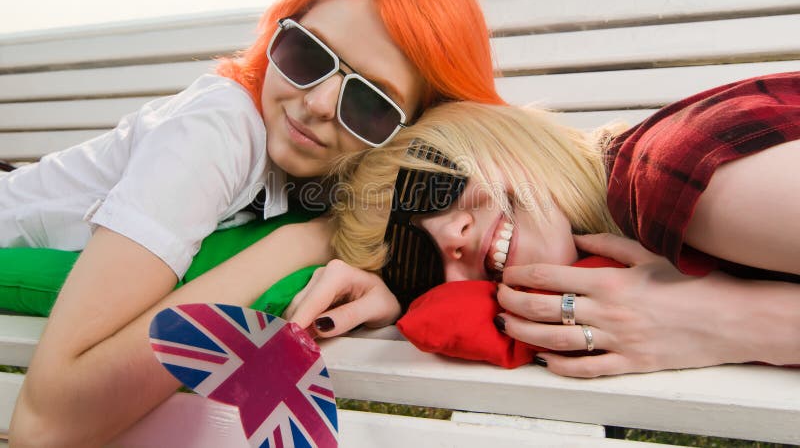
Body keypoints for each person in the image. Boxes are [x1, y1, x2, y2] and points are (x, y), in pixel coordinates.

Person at [1, 0, 504, 446]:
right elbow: (43, 425)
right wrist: (303, 244)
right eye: (308, 54)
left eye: (370, 103)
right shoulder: (221, 130)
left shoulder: (342, 179)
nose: (319, 103)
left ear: (414, 131)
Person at [287, 72, 800, 376]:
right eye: (415, 260)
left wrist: (730, 322)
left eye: (429, 185)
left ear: (494, 137)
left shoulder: (668, 178)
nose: (448, 235)